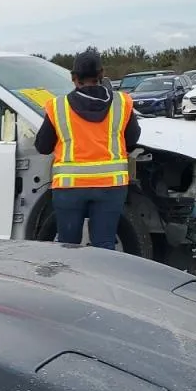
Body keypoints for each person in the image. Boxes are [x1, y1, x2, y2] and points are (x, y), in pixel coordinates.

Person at [33, 48, 140, 250]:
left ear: (74, 77)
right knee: (104, 246)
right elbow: (132, 139)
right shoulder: (121, 103)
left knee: (68, 247)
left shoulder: (58, 106)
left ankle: (72, 281)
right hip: (110, 187)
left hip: (69, 189)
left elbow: (43, 146)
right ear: (101, 74)